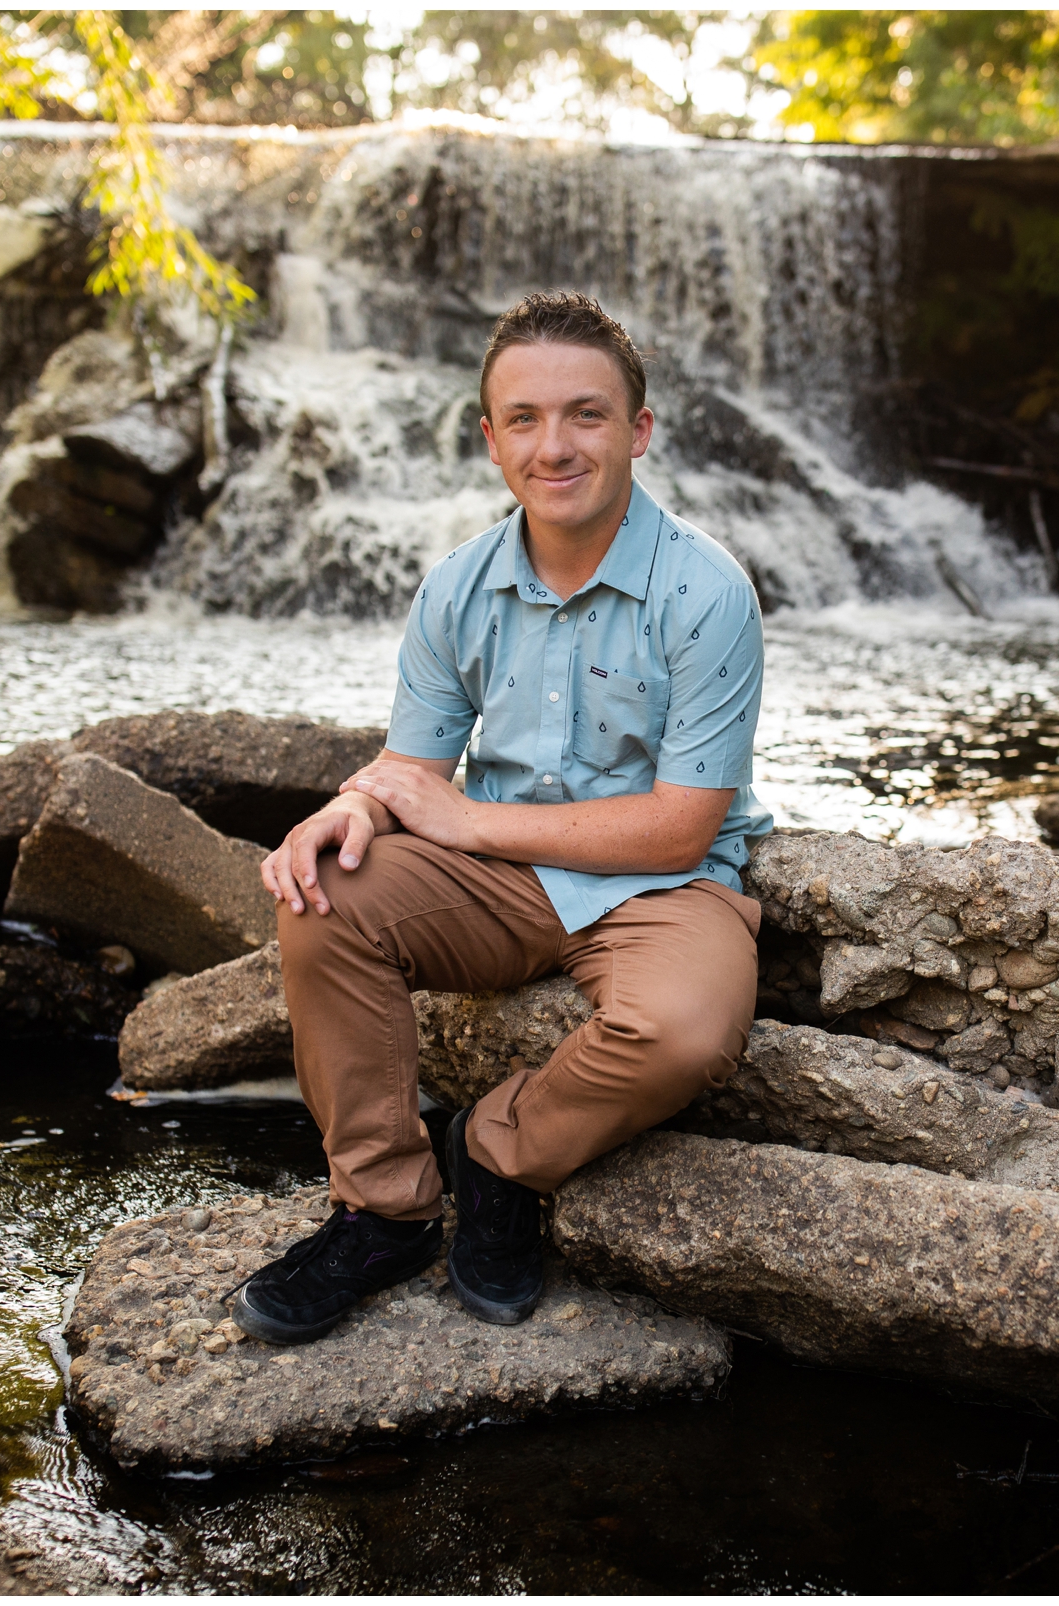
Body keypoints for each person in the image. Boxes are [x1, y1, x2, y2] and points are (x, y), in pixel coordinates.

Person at [233, 290, 773, 1345]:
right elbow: (412, 768)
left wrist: (471, 824)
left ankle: (495, 1153)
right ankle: (383, 1208)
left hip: (661, 882)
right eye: (523, 419)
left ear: (638, 432)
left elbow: (674, 827)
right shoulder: (457, 588)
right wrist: (346, 806)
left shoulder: (707, 593)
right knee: (323, 896)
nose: (554, 444)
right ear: (490, 439)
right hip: (499, 886)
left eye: (586, 414)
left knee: (684, 1030)